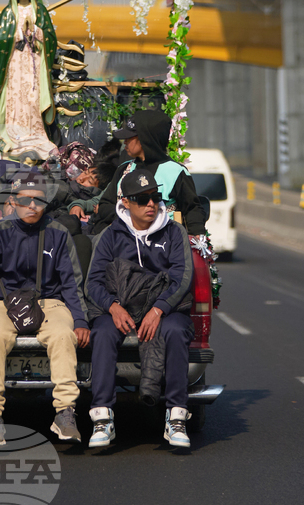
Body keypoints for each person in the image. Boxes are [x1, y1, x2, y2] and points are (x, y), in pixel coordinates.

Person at [0, 170, 91, 446]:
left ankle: (65, 412)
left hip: (48, 301)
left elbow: (72, 283)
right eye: (25, 200)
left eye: (38, 200)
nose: (32, 206)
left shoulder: (59, 233)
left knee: (62, 334)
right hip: (1, 302)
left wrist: (81, 321)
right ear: (13, 201)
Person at [85, 169, 194, 449]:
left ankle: (176, 415)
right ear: (125, 202)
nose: (151, 204)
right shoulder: (111, 235)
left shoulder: (174, 232)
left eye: (155, 197)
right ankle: (102, 417)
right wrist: (113, 307)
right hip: (120, 307)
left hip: (163, 308)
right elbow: (93, 283)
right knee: (103, 332)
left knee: (176, 330)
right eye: (143, 199)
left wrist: (158, 310)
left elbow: (182, 278)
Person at [0, 0, 82, 159]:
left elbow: (50, 38)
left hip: (34, 63)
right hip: (15, 63)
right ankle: (14, 137)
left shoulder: (39, 11)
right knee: (15, 99)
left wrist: (35, 30)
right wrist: (19, 32)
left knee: (32, 98)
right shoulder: (9, 12)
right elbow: (2, 39)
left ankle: (34, 135)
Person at [92, 109, 208, 236]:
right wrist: (132, 218)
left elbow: (192, 210)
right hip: (124, 239)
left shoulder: (176, 172)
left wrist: (197, 236)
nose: (125, 142)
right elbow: (105, 205)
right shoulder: (124, 169)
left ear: (145, 139)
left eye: (129, 137)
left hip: (164, 240)